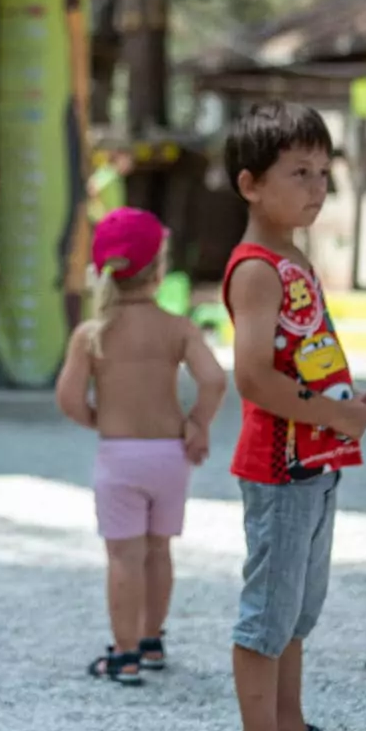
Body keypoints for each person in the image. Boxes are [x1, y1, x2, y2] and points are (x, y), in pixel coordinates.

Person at [221, 103, 366, 731]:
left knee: (297, 609)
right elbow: (254, 378)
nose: (317, 187)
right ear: (250, 185)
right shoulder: (258, 268)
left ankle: (288, 728)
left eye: (324, 172)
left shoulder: (294, 257)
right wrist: (334, 414)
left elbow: (303, 359)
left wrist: (351, 402)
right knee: (267, 613)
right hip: (278, 462)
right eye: (298, 172)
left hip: (315, 460)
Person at [56, 207, 224, 685]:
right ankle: (152, 641)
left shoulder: (92, 334)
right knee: (159, 552)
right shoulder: (178, 327)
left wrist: (97, 419)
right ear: (159, 269)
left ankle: (125, 653)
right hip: (171, 456)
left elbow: (68, 398)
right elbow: (212, 379)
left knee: (124, 558)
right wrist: (198, 424)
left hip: (120, 456)